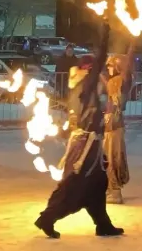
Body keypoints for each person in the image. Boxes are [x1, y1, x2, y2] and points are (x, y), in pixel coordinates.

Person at [35, 21, 124, 239]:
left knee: (97, 183)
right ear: (89, 70)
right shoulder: (86, 85)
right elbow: (100, 62)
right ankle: (48, 217)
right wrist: (104, 36)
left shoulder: (78, 86)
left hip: (87, 141)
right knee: (75, 186)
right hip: (86, 144)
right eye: (96, 70)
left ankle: (103, 224)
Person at [102, 51, 133, 204]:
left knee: (114, 158)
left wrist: (132, 44)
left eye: (111, 65)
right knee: (106, 159)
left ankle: (115, 192)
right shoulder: (112, 81)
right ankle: (108, 188)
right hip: (108, 124)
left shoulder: (123, 80)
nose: (108, 68)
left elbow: (127, 71)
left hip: (115, 125)